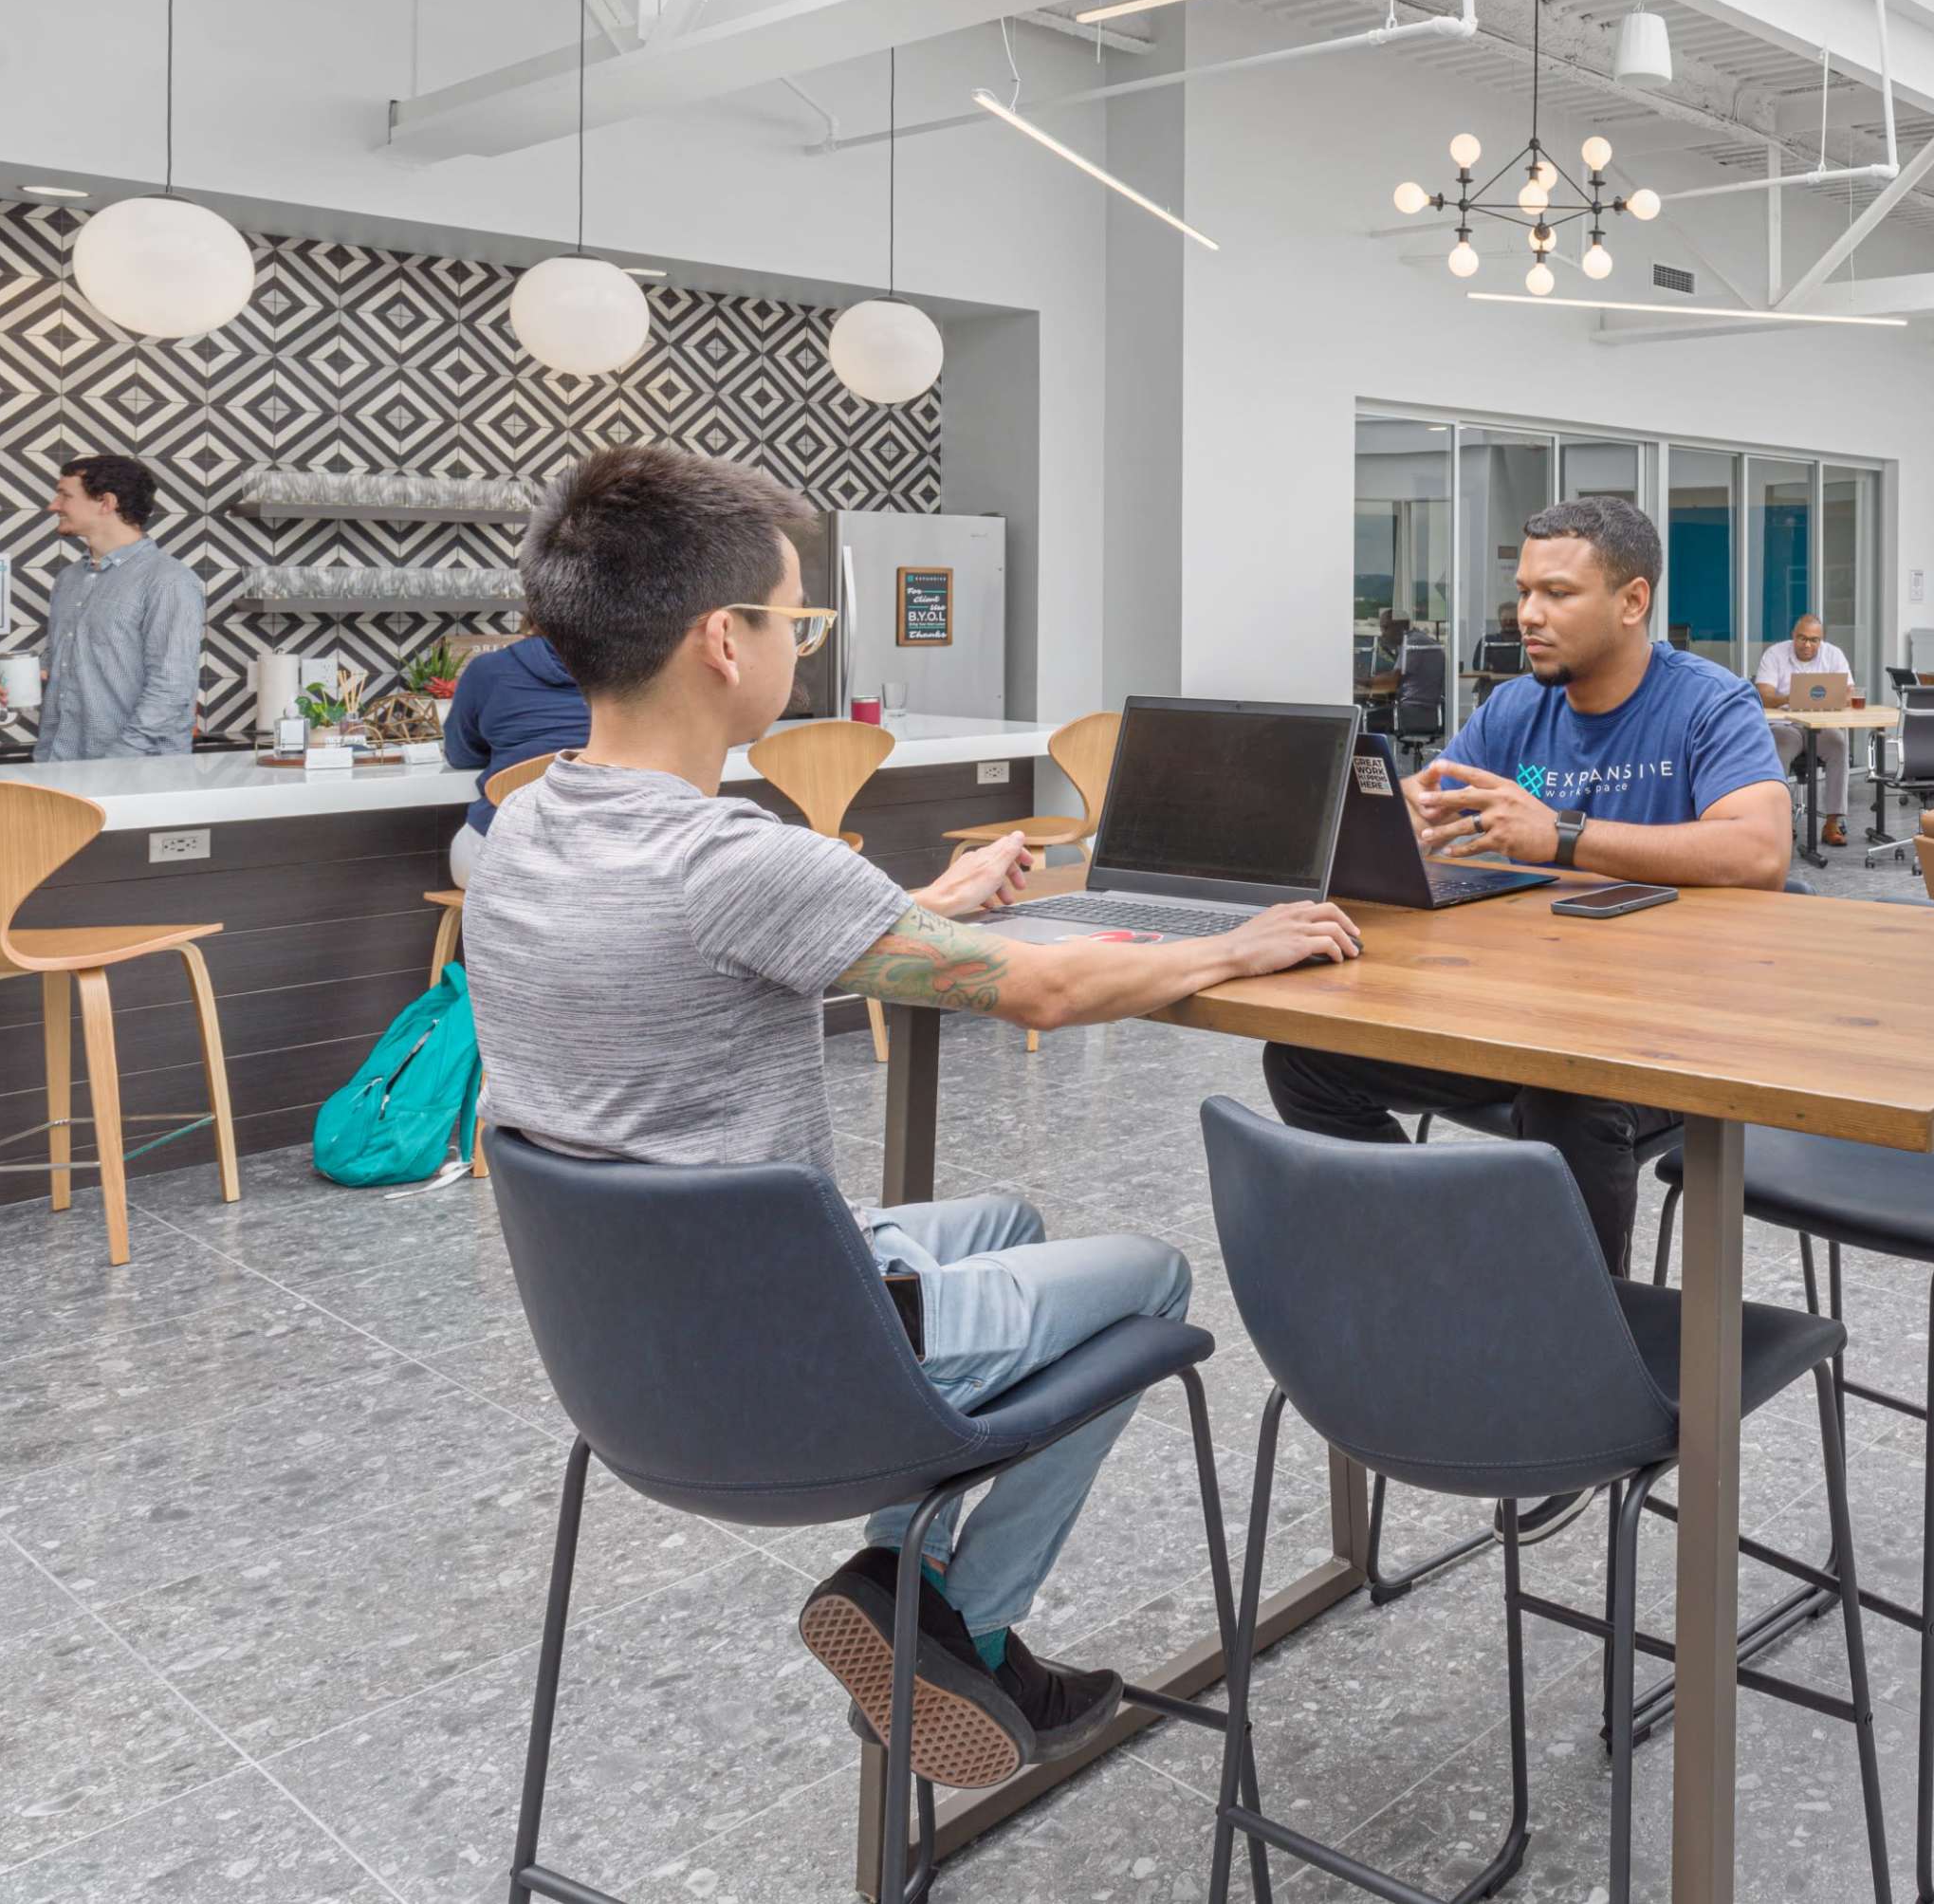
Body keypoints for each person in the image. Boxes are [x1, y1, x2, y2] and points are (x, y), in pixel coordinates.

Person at [463, 445, 1361, 1791]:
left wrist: (935, 896)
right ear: (723, 640)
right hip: (797, 1364)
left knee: (1005, 1217)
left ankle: (912, 1600)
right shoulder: (733, 855)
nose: (800, 649)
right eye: (798, 620)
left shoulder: (527, 832)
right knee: (1150, 1283)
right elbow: (1049, 992)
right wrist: (1242, 942)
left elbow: (767, 928)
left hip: (629, 1353)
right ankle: (949, 1608)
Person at [1267, 495, 1785, 1277]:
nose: (1528, 615)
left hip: (1674, 1031)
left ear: (1633, 601)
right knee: (1302, 1058)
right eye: (1524, 591)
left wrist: (1563, 833)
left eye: (1558, 594)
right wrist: (1399, 815)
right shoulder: (1514, 707)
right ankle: (1454, 1262)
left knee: (1569, 1094)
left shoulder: (1708, 702)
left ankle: (1576, 1337)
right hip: (1532, 1012)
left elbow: (1759, 850)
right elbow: (1438, 811)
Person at [21, 455, 202, 760]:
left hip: (133, 775)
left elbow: (171, 689)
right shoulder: (69, 579)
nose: (54, 506)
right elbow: (67, 666)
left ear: (106, 502)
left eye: (65, 495)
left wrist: (118, 763)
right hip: (59, 762)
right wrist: (29, 677)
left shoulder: (168, 580)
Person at [439, 629, 587, 887]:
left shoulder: (488, 670)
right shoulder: (641, 670)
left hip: (503, 854)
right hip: (611, 858)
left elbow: (460, 755)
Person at [1754, 607, 1857, 848]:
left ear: (1821, 640)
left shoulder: (1834, 655)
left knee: (1839, 745)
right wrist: (1791, 698)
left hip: (1821, 726)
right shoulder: (1775, 654)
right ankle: (1780, 823)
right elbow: (1763, 694)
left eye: (1814, 640)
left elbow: (1849, 692)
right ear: (1794, 635)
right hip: (1785, 726)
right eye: (1802, 638)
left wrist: (1828, 700)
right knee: (1776, 749)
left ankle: (1832, 821)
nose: (1807, 645)